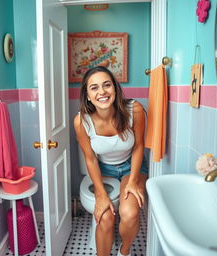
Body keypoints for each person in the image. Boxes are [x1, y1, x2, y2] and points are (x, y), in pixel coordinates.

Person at [74, 66, 148, 256]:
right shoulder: (82, 121)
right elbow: (90, 159)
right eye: (94, 88)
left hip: (132, 166)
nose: (102, 92)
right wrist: (100, 194)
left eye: (107, 85)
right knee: (105, 217)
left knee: (130, 213)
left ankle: (124, 251)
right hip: (103, 169)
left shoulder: (135, 110)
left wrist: (132, 181)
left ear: (115, 88)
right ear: (88, 96)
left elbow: (139, 146)